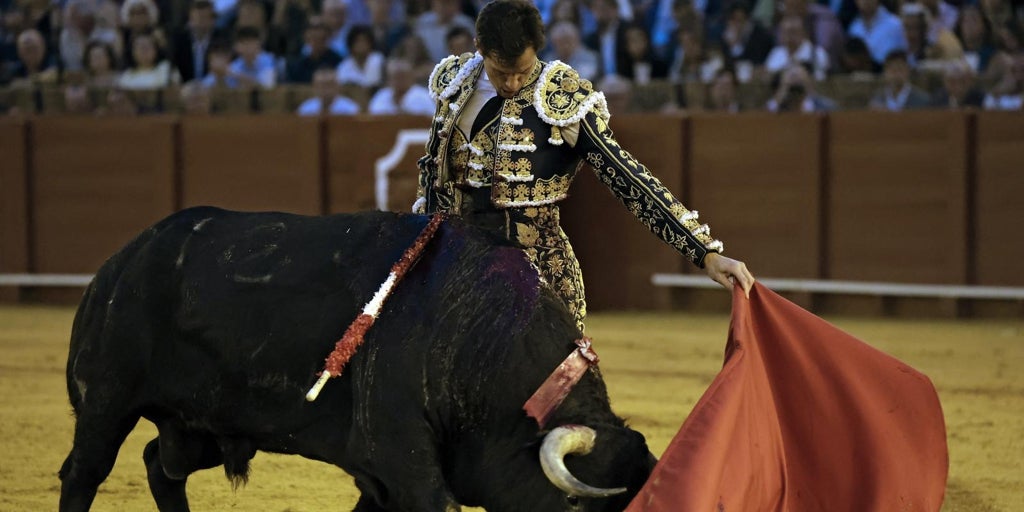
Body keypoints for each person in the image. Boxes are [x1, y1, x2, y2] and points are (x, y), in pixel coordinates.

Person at [414, 0, 754, 328]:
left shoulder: (560, 98)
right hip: (459, 270)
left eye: (522, 71)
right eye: (502, 73)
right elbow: (433, 172)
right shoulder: (455, 84)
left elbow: (627, 177)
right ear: (480, 47)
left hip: (538, 278)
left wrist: (704, 252)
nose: (513, 84)